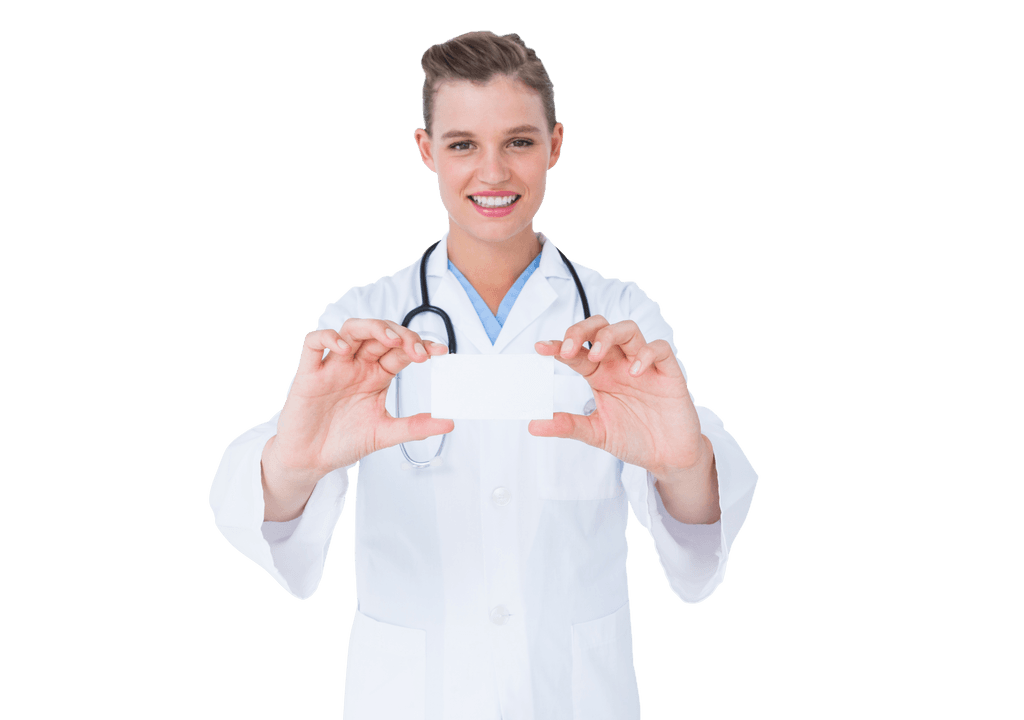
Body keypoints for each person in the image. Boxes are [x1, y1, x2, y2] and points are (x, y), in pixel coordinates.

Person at [209, 30, 759, 720]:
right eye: (463, 143)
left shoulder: (618, 316)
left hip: (573, 696)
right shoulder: (366, 318)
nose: (493, 172)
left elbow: (697, 526)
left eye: (520, 142)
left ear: (556, 145)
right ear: (426, 150)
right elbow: (261, 510)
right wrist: (292, 464)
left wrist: (683, 466)